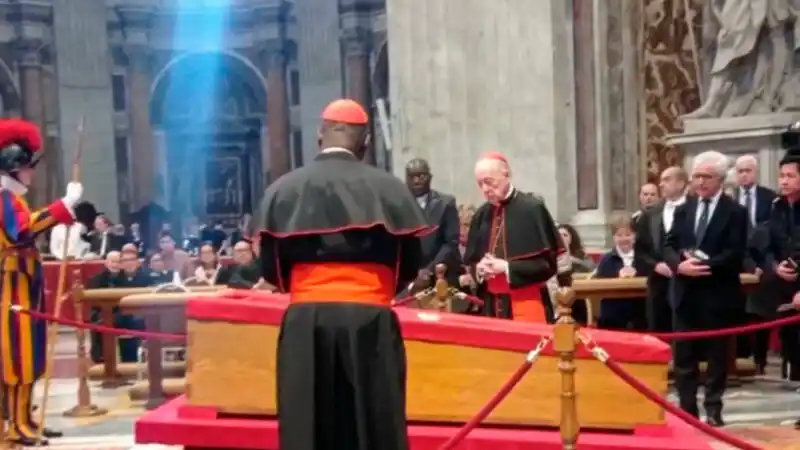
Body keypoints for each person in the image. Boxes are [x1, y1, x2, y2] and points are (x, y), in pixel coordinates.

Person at [257, 99, 430, 450]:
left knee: (308, 427)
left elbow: (271, 268)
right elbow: (409, 262)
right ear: (365, 145)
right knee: (375, 425)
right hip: (371, 320)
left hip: (306, 322)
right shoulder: (391, 189)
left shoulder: (283, 189)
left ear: (320, 138)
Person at [0, 119, 82, 445]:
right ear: (12, 169)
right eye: (27, 168)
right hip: (12, 288)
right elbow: (19, 231)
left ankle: (26, 418)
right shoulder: (2, 197)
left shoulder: (13, 198)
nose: (31, 174)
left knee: (30, 358)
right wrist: (63, 206)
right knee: (17, 361)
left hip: (26, 285)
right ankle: (15, 425)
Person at [663, 151, 747, 427]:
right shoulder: (683, 208)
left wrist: (704, 264)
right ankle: (688, 410)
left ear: (720, 180)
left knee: (717, 356)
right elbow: (669, 245)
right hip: (685, 293)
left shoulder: (735, 211)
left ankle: (713, 408)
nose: (700, 182)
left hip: (717, 293)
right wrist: (679, 266)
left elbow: (735, 252)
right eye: (696, 176)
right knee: (684, 357)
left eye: (706, 177)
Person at [462, 152, 570, 323]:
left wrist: (506, 267)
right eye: (480, 184)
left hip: (528, 302)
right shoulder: (481, 215)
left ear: (506, 174)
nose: (484, 189)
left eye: (489, 182)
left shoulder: (532, 209)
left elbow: (547, 265)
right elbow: (472, 262)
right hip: (491, 307)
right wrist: (480, 270)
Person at [635, 166, 688, 333]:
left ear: (680, 184)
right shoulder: (650, 214)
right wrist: (655, 266)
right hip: (658, 283)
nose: (661, 184)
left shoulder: (696, 208)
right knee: (659, 329)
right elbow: (640, 250)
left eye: (666, 180)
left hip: (689, 283)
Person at [404, 158, 461, 297]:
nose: (417, 181)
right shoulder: (400, 204)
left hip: (440, 274)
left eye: (421, 176)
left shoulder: (446, 203)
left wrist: (428, 270)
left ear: (430, 177)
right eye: (412, 177)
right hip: (408, 277)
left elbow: (450, 242)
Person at [596, 212, 647, 331]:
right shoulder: (607, 260)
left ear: (635, 235)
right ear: (613, 237)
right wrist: (617, 276)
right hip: (614, 317)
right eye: (619, 235)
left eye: (628, 235)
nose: (624, 239)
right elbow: (600, 284)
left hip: (640, 315)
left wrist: (637, 275)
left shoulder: (644, 258)